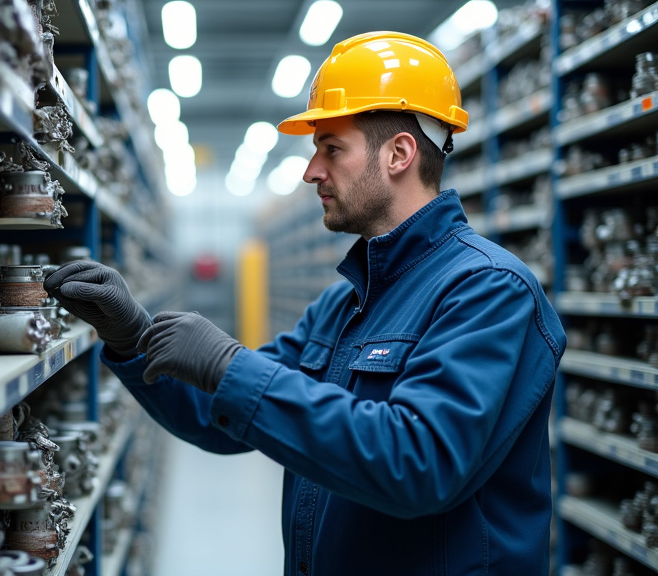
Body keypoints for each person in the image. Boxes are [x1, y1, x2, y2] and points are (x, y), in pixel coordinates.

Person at [44, 31, 566, 575]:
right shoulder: (344, 307)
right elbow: (227, 415)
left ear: (399, 154)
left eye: (331, 148)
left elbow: (419, 464)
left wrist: (230, 365)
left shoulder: (489, 291)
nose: (311, 170)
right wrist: (133, 338)